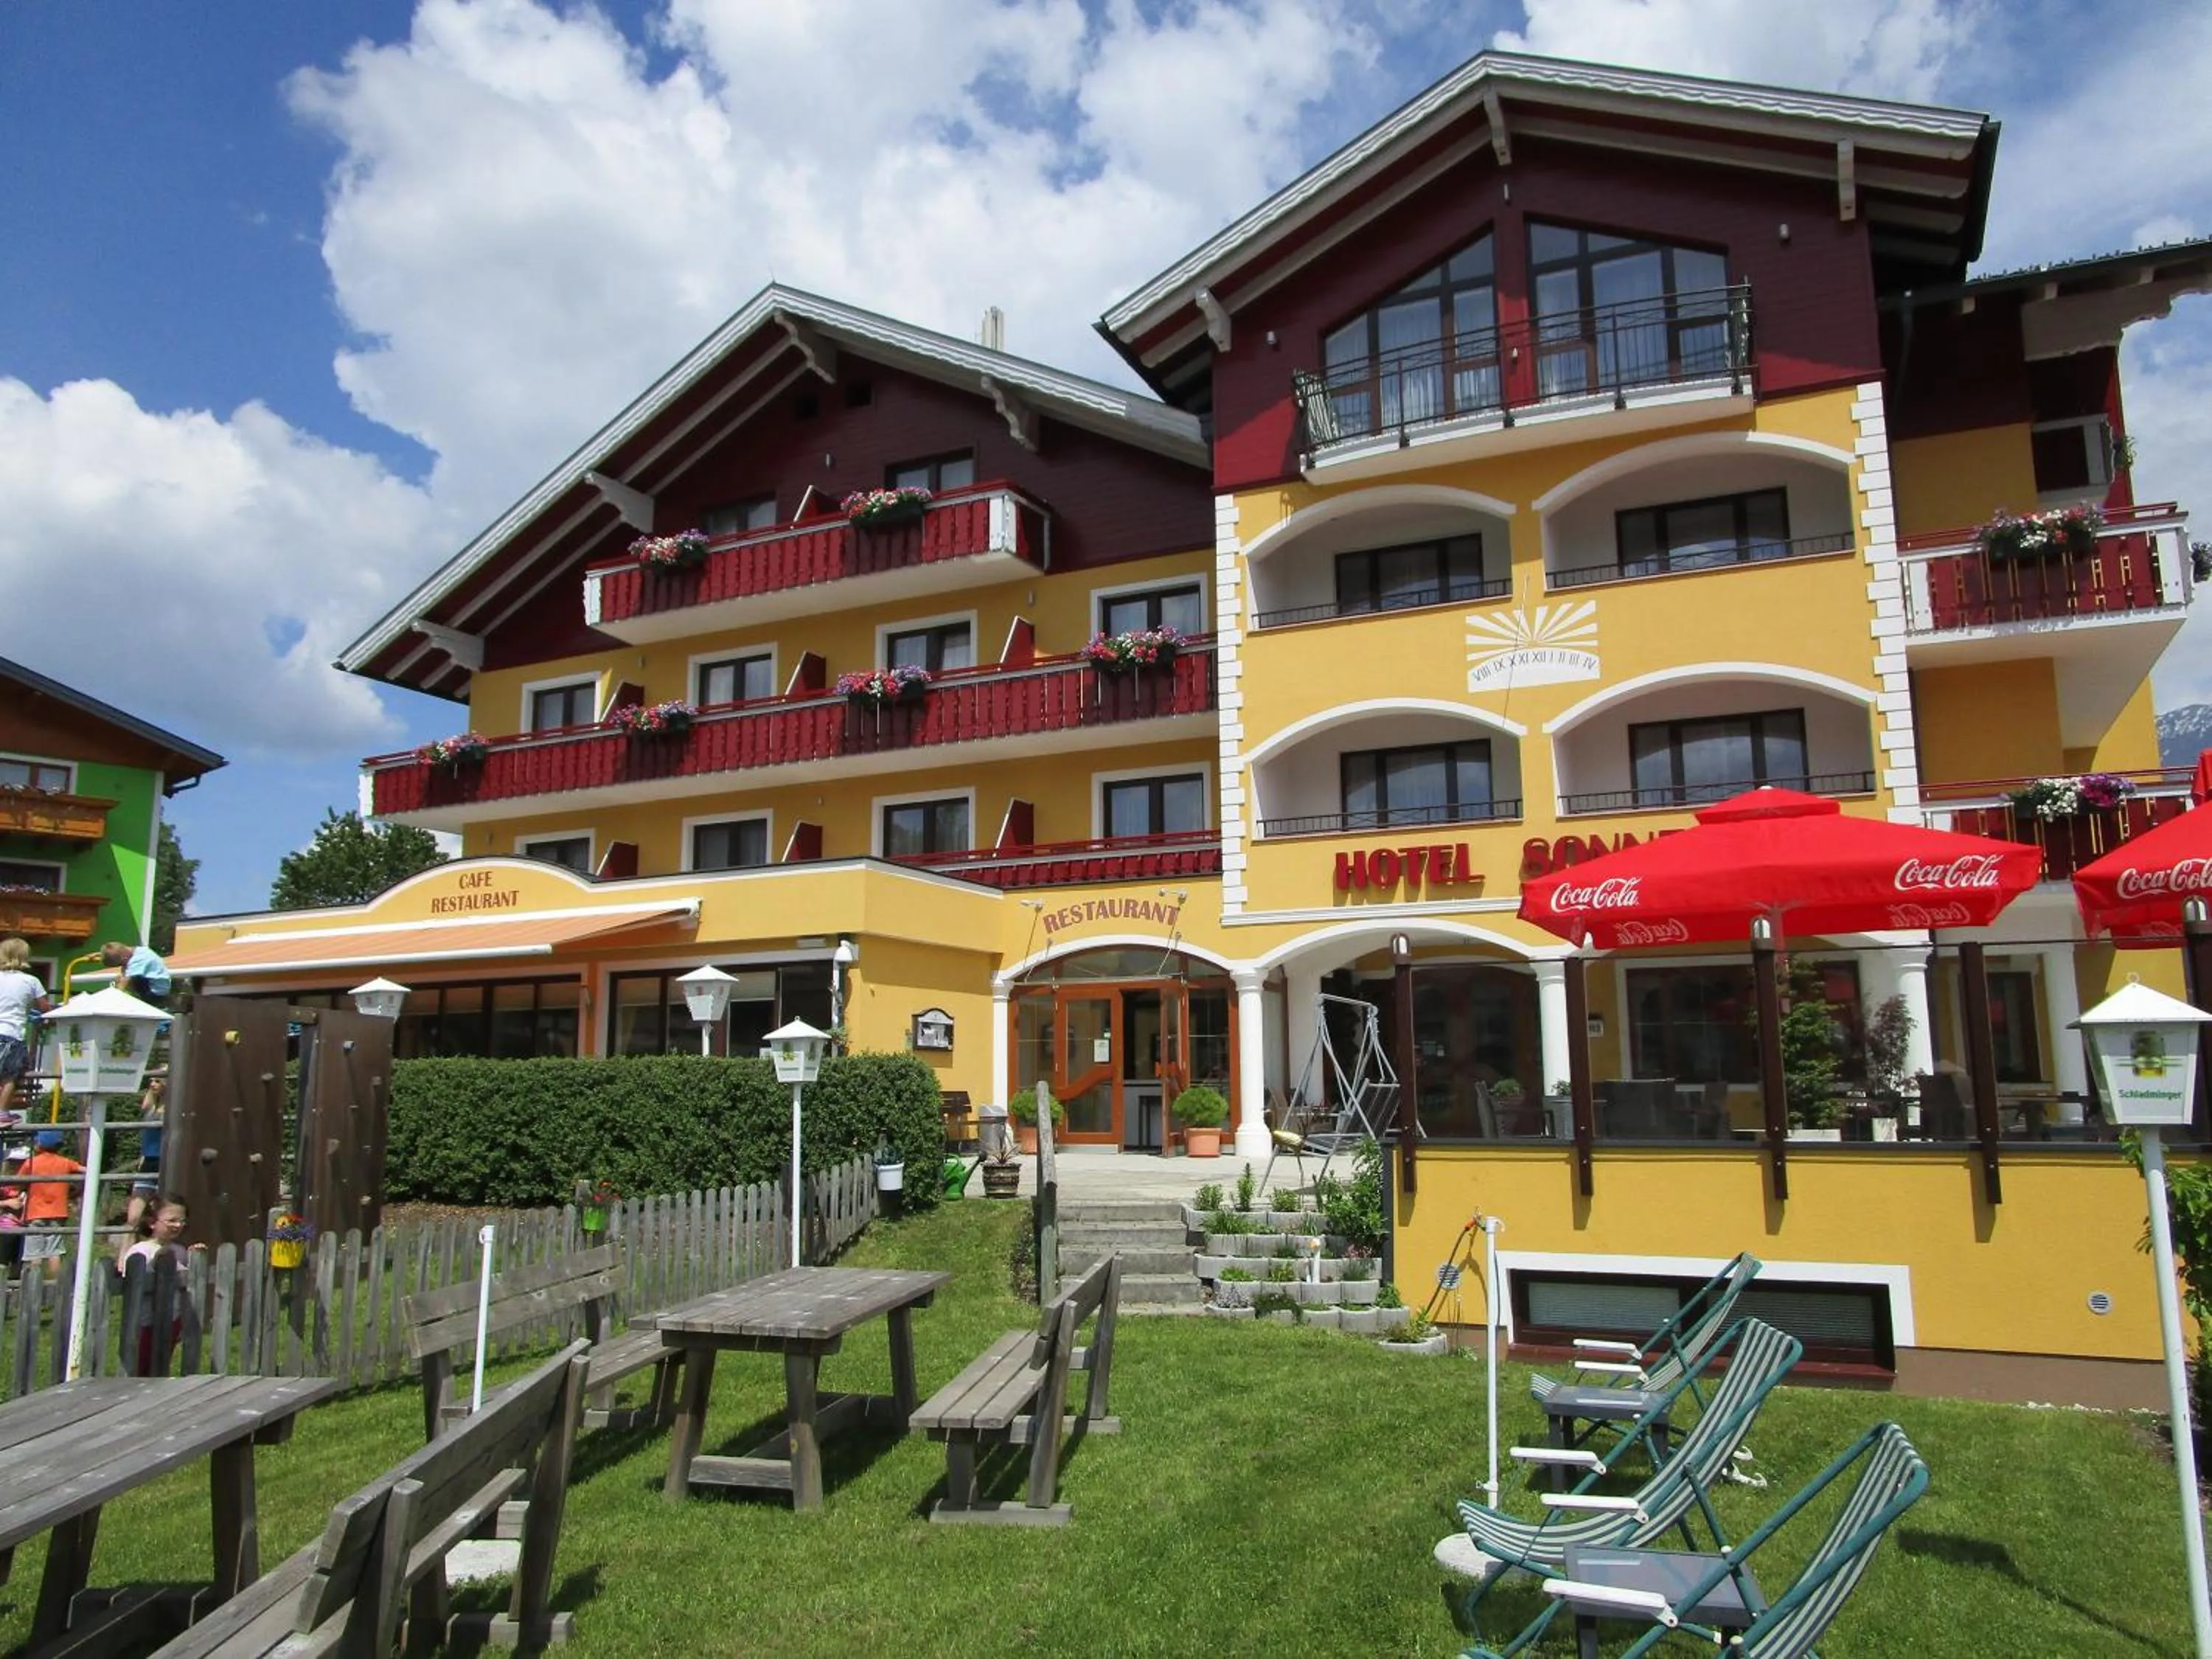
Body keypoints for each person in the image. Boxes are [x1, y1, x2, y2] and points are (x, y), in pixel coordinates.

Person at [119, 1197, 201, 1374]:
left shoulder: (179, 1250)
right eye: (172, 1220)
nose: (178, 1225)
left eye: (182, 1221)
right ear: (151, 1223)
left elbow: (186, 1282)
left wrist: (195, 1257)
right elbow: (134, 1285)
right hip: (146, 1322)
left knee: (162, 1363)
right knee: (142, 1367)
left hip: (172, 1319)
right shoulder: (140, 1251)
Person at [0, 936, 55, 1119]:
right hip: (12, 1034)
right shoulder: (31, 981)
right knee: (12, 1076)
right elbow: (44, 1008)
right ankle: (2, 1112)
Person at [22, 1127, 83, 1281]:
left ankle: (32, 1285)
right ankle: (57, 1286)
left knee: (34, 1253)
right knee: (54, 1252)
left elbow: (18, 1183)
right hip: (58, 1212)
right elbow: (85, 1170)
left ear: (40, 1144)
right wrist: (77, 1190)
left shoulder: (31, 1163)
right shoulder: (65, 1162)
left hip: (35, 1213)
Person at [125, 1077, 165, 1232]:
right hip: (148, 1161)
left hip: (164, 1162)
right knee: (132, 1219)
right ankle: (124, 1256)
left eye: (158, 1081)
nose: (153, 1084)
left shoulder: (173, 1108)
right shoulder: (150, 1107)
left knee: (160, 1217)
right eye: (152, 1081)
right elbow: (146, 1137)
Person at [101, 940, 170, 1006]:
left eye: (121, 964)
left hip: (155, 993)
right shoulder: (141, 950)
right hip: (158, 986)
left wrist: (114, 999)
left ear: (124, 958)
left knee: (127, 982)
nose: (122, 967)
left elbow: (124, 983)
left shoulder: (136, 961)